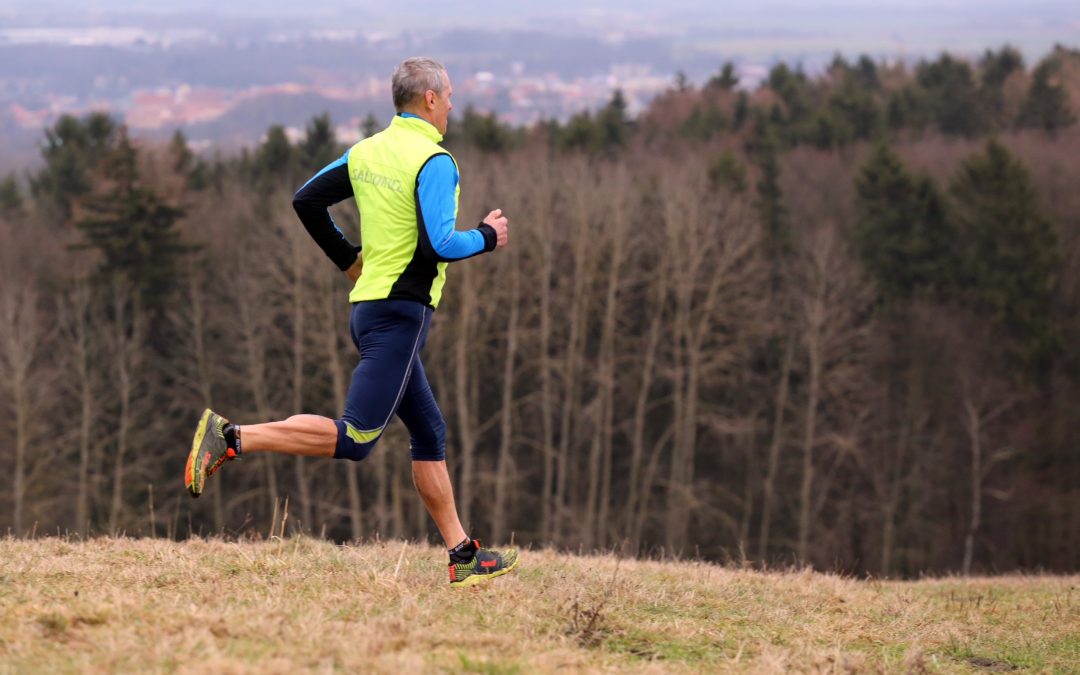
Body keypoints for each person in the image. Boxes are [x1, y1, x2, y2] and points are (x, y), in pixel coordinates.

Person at [184, 56, 517, 588]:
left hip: (368, 309)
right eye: (449, 94)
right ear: (429, 99)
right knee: (357, 438)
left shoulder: (367, 151)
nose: (453, 103)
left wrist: (348, 260)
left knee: (430, 430)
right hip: (401, 317)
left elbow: (307, 200)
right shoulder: (435, 161)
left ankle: (462, 554)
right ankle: (231, 436)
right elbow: (440, 243)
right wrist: (486, 236)